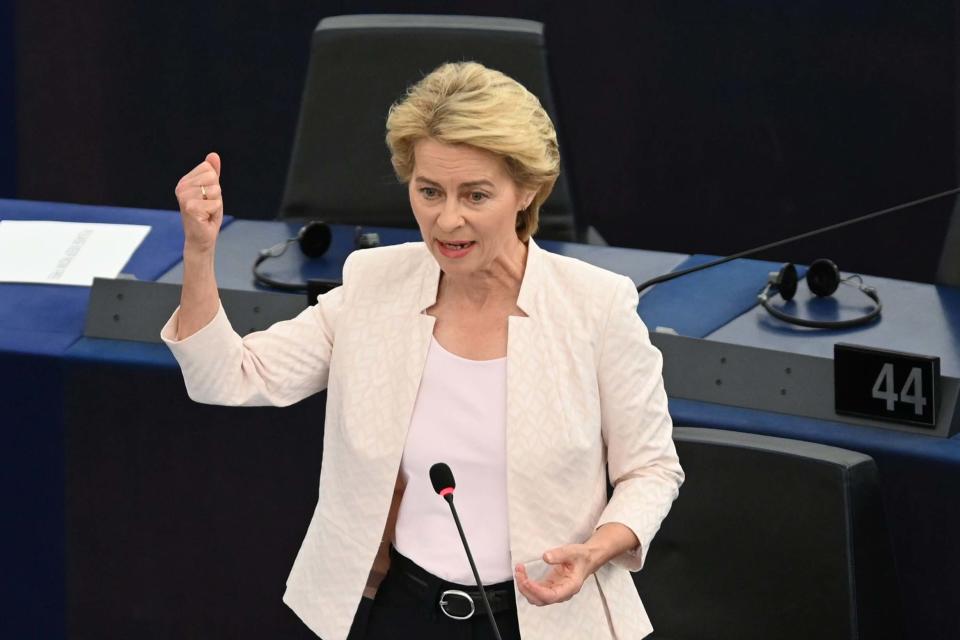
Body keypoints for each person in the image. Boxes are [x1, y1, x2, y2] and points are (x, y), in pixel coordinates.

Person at [162, 61, 683, 640]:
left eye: (476, 194)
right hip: (401, 611)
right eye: (429, 191)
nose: (446, 219)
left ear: (526, 191)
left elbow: (652, 470)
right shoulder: (373, 284)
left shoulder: (595, 306)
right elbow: (227, 377)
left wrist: (595, 551)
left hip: (549, 617)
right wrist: (199, 250)